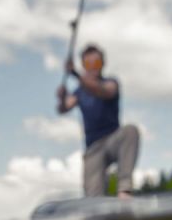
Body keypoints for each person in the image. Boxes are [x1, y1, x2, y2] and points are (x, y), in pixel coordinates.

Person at [56, 44, 140, 198]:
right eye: (89, 64)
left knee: (130, 131)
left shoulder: (111, 83)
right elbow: (63, 109)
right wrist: (61, 98)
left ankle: (124, 190)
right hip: (93, 148)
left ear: (103, 64)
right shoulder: (79, 92)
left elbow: (102, 91)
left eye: (97, 63)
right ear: (84, 65)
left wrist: (75, 74)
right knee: (93, 200)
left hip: (114, 139)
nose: (93, 67)